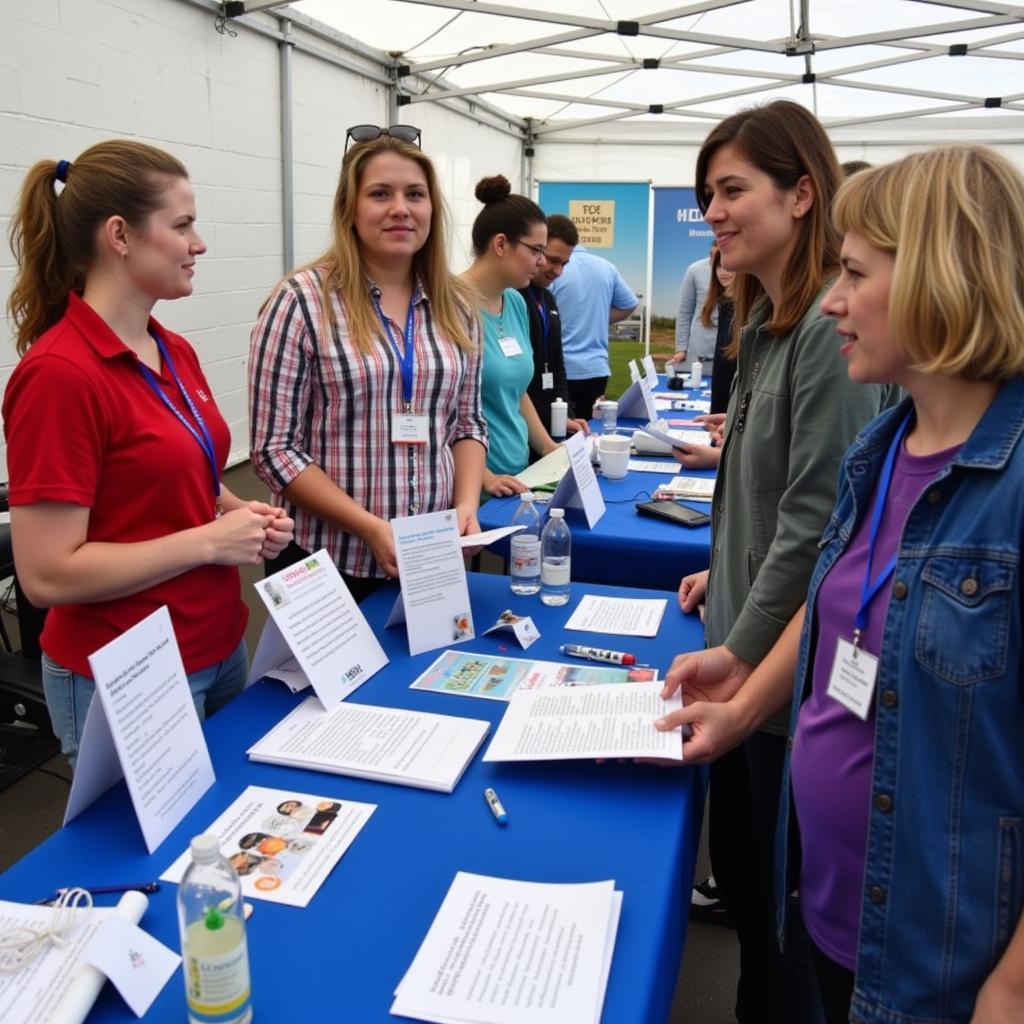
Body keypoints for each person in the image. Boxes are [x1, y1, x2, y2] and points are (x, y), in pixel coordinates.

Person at [658, 145, 1024, 1024]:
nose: (830, 300)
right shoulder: (882, 448)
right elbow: (838, 624)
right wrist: (743, 705)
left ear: (943, 279)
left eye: (854, 274)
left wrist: (1012, 989)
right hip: (833, 912)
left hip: (944, 965)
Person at [669, 100, 897, 1024]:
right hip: (757, 660)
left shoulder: (818, 334)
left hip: (781, 685)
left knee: (786, 927)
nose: (714, 212)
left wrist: (748, 639)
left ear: (803, 193)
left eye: (732, 190)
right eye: (707, 195)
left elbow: (813, 526)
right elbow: (767, 496)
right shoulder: (768, 322)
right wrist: (723, 576)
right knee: (763, 906)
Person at [3, 140, 294, 770]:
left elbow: (184, 477)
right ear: (120, 236)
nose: (200, 243)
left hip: (217, 644)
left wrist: (238, 512)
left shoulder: (172, 349)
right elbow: (47, 574)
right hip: (130, 666)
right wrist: (212, 543)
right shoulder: (59, 375)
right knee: (143, 861)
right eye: (183, 224)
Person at [249, 129, 487, 601]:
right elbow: (275, 450)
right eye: (380, 194)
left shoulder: (457, 306)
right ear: (349, 210)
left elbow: (467, 424)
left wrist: (465, 505)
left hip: (429, 556)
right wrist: (371, 527)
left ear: (432, 210)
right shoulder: (301, 302)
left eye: (415, 194)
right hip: (327, 561)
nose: (401, 208)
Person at [462, 175, 560, 497]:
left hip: (517, 478)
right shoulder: (450, 305)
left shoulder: (516, 302)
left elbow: (516, 391)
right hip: (473, 487)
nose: (542, 261)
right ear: (501, 245)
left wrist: (548, 447)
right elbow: (443, 414)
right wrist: (485, 477)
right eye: (537, 250)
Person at [549, 230, 639, 420]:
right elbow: (630, 304)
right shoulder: (606, 267)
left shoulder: (552, 270)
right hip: (596, 368)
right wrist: (599, 319)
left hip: (562, 368)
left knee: (558, 430)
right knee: (589, 432)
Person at [518, 214, 589, 443]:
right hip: (525, 429)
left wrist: (564, 414)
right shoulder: (513, 297)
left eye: (564, 264)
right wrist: (550, 419)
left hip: (549, 427)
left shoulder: (548, 299)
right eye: (553, 260)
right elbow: (518, 383)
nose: (558, 271)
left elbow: (557, 365)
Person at [667, 243, 719, 371]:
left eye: (719, 256)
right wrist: (681, 348)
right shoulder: (695, 270)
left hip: (732, 355)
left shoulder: (743, 270)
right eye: (711, 255)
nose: (714, 261)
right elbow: (685, 312)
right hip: (699, 357)